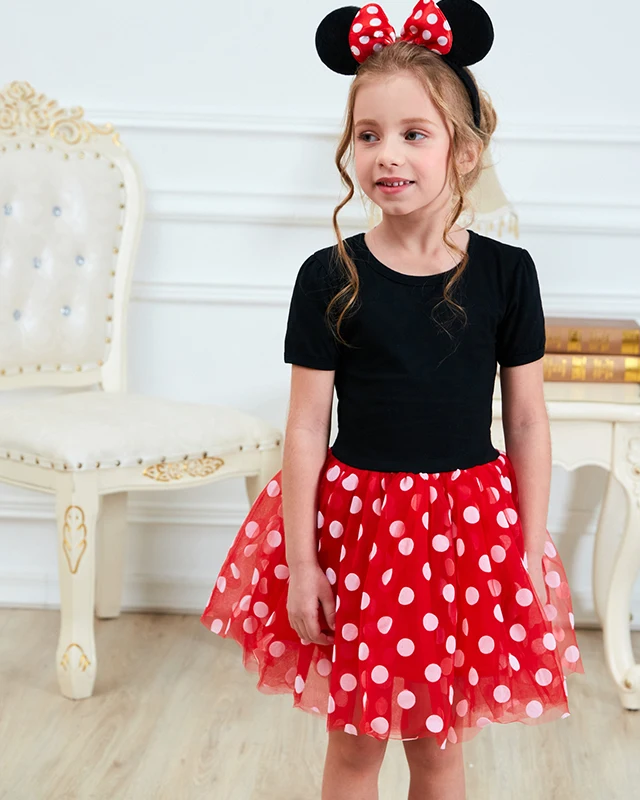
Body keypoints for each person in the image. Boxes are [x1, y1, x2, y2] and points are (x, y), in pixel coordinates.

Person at [201, 2, 584, 798]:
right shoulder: (328, 276)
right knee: (354, 750)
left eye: (414, 133)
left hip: (466, 534)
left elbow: (526, 419)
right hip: (361, 534)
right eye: (369, 135)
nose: (388, 155)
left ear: (463, 150)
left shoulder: (507, 274)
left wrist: (529, 550)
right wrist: (303, 563)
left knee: (439, 750)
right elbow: (305, 427)